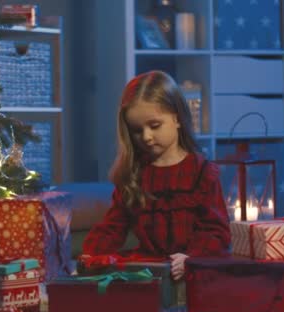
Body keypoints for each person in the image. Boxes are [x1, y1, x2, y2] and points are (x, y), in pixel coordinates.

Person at [81, 70, 231, 281]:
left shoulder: (202, 172)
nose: (146, 137)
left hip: (196, 270)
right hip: (151, 269)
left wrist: (192, 257)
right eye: (137, 130)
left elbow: (216, 231)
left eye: (154, 126)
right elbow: (113, 227)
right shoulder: (135, 174)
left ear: (177, 118)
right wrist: (90, 255)